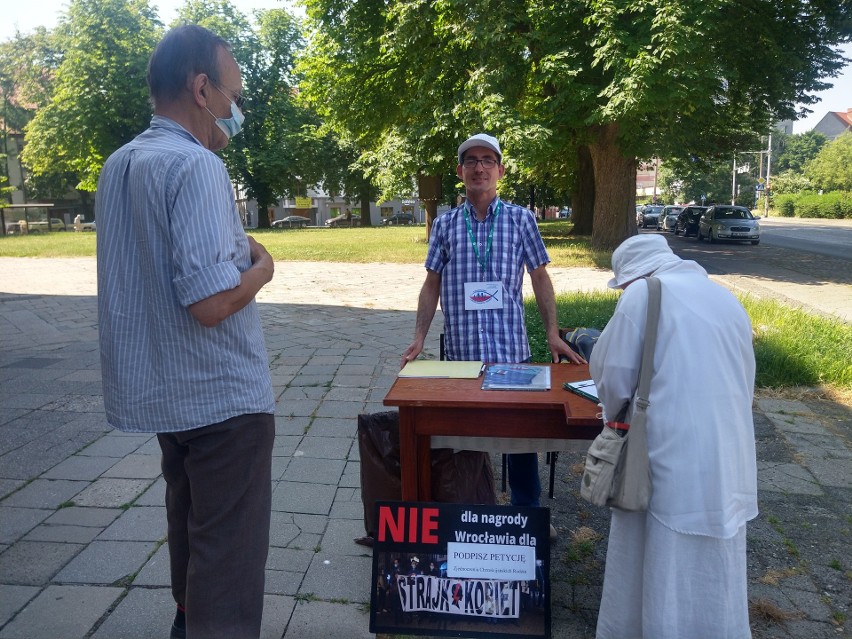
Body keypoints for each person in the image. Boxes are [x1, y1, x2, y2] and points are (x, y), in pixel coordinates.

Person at [95, 25, 275, 639]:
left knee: (192, 540)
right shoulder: (195, 166)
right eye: (233, 94)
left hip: (169, 395)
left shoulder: (122, 164)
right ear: (201, 88)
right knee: (229, 561)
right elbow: (209, 301)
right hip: (224, 398)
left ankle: (187, 623)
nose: (236, 108)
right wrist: (261, 269)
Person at [401, 133, 583, 513]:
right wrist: (419, 338)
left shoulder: (521, 219)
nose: (479, 167)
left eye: (487, 160)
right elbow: (431, 282)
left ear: (500, 170)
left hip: (510, 352)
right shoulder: (446, 225)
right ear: (460, 171)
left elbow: (540, 277)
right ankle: (466, 511)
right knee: (462, 437)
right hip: (461, 355)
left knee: (520, 437)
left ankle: (527, 515)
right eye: (471, 161)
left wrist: (553, 332)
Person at [589, 234, 758, 638]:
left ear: (632, 276)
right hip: (727, 454)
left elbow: (612, 377)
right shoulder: (724, 298)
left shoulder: (644, 295)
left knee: (656, 558)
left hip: (667, 454)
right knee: (714, 564)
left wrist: (612, 416)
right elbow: (746, 378)